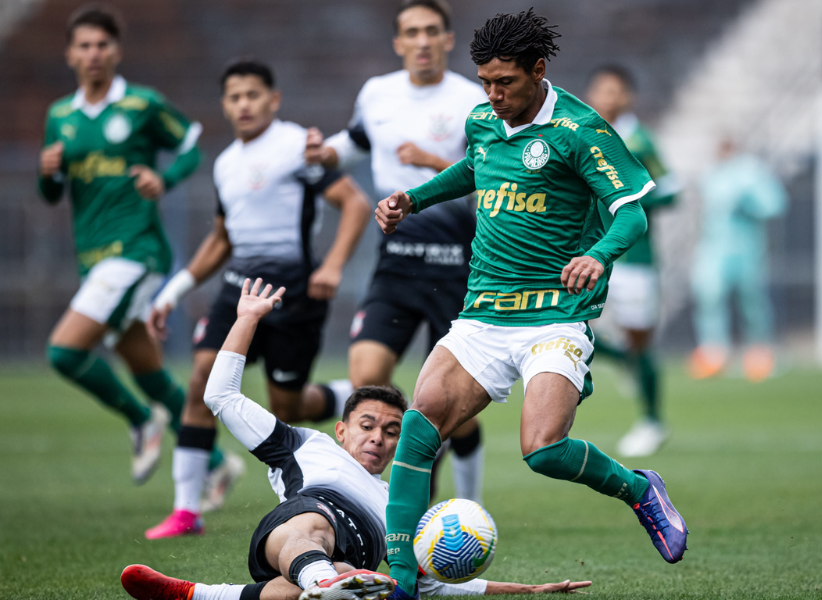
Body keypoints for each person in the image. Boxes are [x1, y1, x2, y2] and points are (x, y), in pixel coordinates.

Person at [373, 10, 689, 599]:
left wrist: (598, 254)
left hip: (555, 314)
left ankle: (640, 489)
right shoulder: (482, 118)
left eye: (505, 83)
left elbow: (632, 211)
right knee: (420, 424)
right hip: (483, 311)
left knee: (542, 451)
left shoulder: (580, 129)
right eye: (485, 82)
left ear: (538, 70)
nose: (492, 96)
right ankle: (402, 582)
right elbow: (475, 168)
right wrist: (413, 199)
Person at [120, 278, 591, 600]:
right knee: (315, 530)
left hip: (347, 566)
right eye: (367, 426)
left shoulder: (400, 504)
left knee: (345, 584)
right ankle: (330, 582)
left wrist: (529, 591)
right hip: (304, 525)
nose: (379, 439)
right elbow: (220, 395)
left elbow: (431, 583)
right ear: (341, 430)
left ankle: (194, 594)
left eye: (391, 431)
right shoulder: (303, 446)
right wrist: (247, 318)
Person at [143, 58, 371, 540]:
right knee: (203, 382)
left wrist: (331, 266)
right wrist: (172, 292)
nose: (244, 104)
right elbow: (222, 240)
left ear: (273, 99)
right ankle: (186, 510)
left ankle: (339, 392)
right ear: (224, 105)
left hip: (294, 292)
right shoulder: (225, 163)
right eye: (234, 97)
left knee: (286, 406)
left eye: (253, 95)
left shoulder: (298, 147)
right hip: (238, 288)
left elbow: (353, 202)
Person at [305, 0, 486, 504]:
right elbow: (360, 138)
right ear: (398, 42)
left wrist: (432, 161)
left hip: (458, 262)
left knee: (460, 407)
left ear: (449, 39)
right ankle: (389, 485)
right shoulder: (377, 93)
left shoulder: (473, 99)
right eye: (413, 32)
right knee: (367, 375)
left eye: (432, 31)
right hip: (399, 260)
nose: (423, 41)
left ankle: (468, 508)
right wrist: (328, 152)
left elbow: (491, 175)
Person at [37, 5, 203, 484]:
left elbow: (192, 141)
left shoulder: (141, 103)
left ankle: (139, 418)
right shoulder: (60, 115)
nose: (94, 54)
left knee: (64, 353)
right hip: (93, 258)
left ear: (117, 51)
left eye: (102, 45)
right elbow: (51, 195)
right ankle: (214, 466)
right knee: (148, 371)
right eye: (84, 45)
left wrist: (164, 177)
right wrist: (47, 173)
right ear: (70, 54)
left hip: (137, 251)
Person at [584, 65, 681, 458]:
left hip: (635, 258)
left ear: (628, 97)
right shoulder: (583, 135)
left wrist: (629, 198)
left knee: (641, 342)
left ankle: (652, 421)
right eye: (600, 89)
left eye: (614, 90)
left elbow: (672, 191)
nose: (607, 97)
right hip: (589, 254)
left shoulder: (640, 141)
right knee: (569, 326)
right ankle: (622, 359)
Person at [687, 136, 787, 382]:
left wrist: (749, 202)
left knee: (752, 300)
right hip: (714, 247)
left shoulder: (751, 172)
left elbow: (776, 204)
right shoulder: (710, 174)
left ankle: (759, 352)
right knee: (710, 296)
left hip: (746, 247)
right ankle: (714, 353)